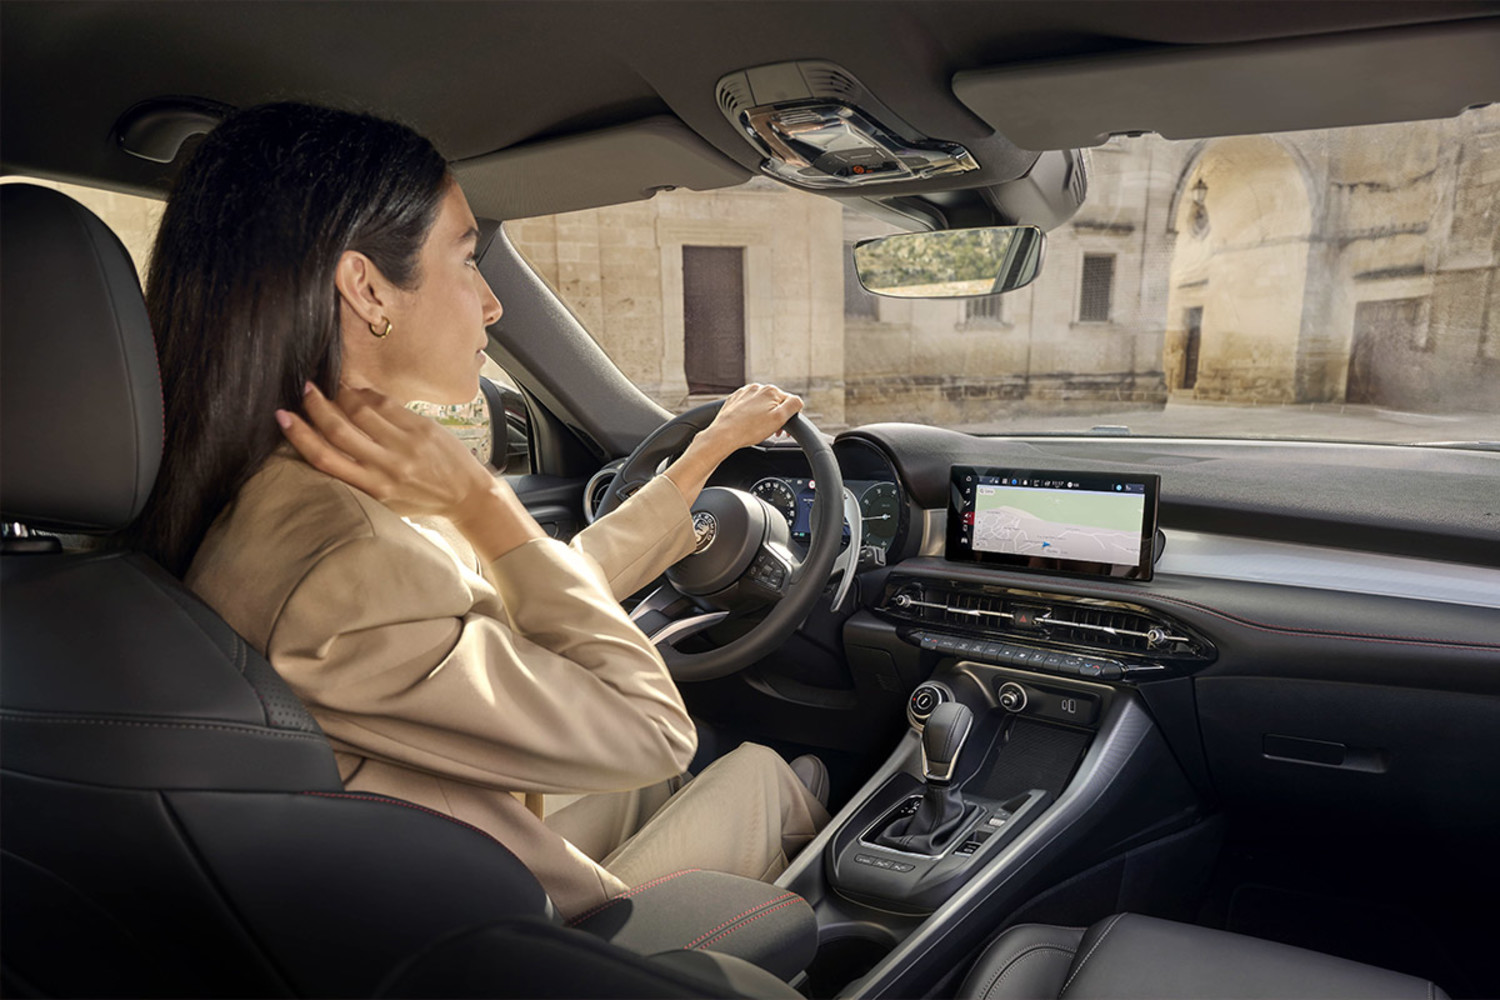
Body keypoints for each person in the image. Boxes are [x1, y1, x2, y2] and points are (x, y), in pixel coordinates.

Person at [126, 102, 829, 919]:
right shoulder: (349, 555)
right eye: (466, 258)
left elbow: (502, 604)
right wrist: (482, 500)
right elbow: (648, 726)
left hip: (439, 861)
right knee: (762, 775)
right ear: (366, 288)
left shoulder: (271, 501)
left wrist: (703, 455)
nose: (491, 304)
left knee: (677, 783)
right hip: (524, 936)